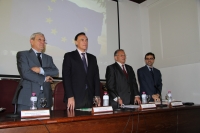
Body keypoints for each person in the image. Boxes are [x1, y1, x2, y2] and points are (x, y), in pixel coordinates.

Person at [12, 32, 59, 113]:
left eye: (44, 40)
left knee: (45, 125)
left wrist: (40, 70)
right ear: (31, 41)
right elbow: (25, 73)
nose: (42, 42)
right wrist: (44, 78)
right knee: (25, 125)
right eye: (39, 39)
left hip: (45, 98)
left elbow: (55, 71)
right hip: (27, 97)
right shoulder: (23, 54)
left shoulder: (48, 58)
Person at [62, 32, 100, 110]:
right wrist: (70, 96)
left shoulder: (92, 58)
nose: (85, 42)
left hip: (90, 97)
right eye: (82, 40)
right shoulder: (69, 56)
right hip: (75, 97)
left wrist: (97, 95)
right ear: (76, 42)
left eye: (86, 40)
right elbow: (66, 77)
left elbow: (96, 77)